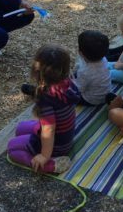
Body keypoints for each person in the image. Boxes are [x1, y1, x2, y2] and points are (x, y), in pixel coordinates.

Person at [7, 44, 80, 173]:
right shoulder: (68, 83)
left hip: (57, 146)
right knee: (20, 128)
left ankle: (51, 165)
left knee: (12, 147)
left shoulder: (46, 100)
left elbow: (48, 131)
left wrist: (44, 155)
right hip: (65, 136)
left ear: (37, 70)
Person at [72, 30, 111, 106]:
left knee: (69, 94)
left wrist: (72, 80)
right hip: (105, 93)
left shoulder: (85, 72)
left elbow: (79, 89)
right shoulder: (103, 59)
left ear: (81, 53)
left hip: (91, 100)